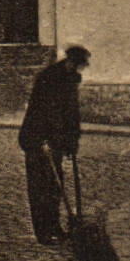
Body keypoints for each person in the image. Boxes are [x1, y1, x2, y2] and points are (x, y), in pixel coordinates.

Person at [18, 44, 89, 244]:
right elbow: (40, 112)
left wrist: (72, 142)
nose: (79, 70)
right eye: (77, 65)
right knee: (39, 188)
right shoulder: (48, 79)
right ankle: (43, 232)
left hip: (54, 141)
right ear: (70, 62)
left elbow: (71, 114)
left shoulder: (70, 80)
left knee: (55, 186)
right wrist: (42, 140)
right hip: (37, 140)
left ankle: (55, 226)